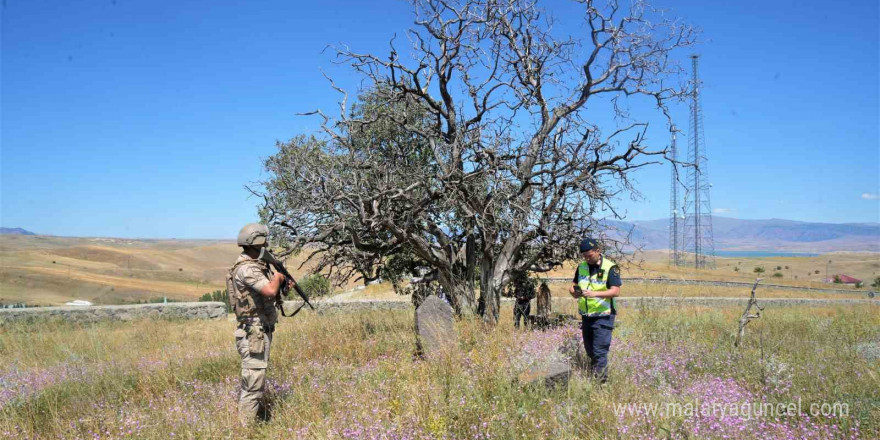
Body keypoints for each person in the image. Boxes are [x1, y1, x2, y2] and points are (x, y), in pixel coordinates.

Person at [227, 223, 292, 425]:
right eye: (265, 240)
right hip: (253, 333)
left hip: (260, 331)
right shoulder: (247, 269)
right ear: (257, 242)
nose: (267, 243)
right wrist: (279, 276)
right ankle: (245, 429)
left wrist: (284, 284)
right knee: (253, 384)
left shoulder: (259, 266)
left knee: (257, 379)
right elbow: (269, 292)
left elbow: (273, 293)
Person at [568, 237, 621, 382]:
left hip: (604, 315)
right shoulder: (582, 267)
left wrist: (595, 293)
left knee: (599, 351)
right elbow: (572, 286)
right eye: (584, 256)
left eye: (589, 255)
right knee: (590, 350)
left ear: (598, 251)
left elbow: (615, 291)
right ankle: (595, 376)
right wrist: (573, 291)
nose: (587, 258)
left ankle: (601, 383)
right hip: (586, 315)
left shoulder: (611, 268)